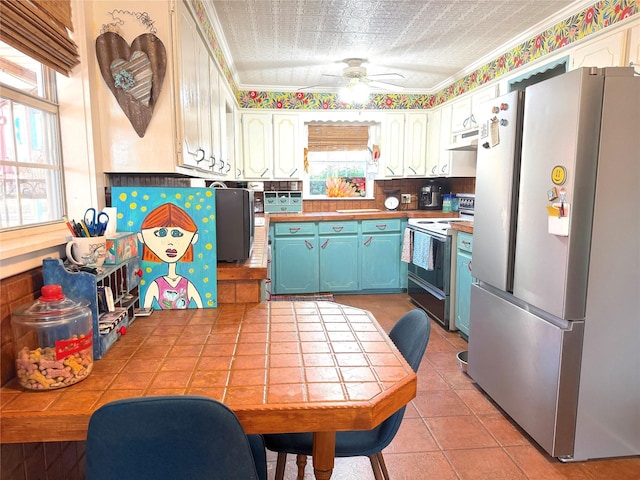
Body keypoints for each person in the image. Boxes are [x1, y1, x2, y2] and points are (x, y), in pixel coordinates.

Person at [137, 203, 203, 309]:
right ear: (142, 237)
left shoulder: (187, 284)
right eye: (161, 233)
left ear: (194, 238)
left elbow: (201, 309)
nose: (170, 242)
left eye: (177, 234)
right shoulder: (155, 285)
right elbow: (146, 309)